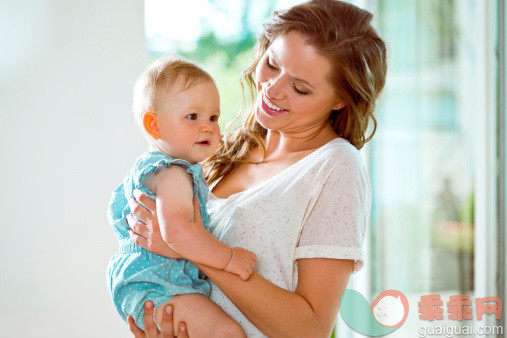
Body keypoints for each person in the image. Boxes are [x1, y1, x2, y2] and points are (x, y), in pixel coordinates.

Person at [127, 0, 387, 336]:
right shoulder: (230, 145)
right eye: (273, 64)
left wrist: (189, 247)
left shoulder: (335, 167)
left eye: (300, 88)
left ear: (341, 99)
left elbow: (309, 328)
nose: (273, 89)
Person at [107, 56, 257, 337]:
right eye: (193, 116)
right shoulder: (172, 172)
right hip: (158, 283)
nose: (208, 126)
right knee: (227, 333)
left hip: (150, 281)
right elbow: (176, 230)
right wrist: (229, 259)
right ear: (154, 125)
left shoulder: (157, 168)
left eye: (214, 117)